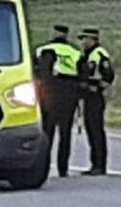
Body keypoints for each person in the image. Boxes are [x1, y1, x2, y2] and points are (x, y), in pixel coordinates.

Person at [34, 25, 82, 178]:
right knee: (65, 134)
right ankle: (63, 168)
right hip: (69, 96)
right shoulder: (75, 52)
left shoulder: (43, 50)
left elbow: (38, 73)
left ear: (53, 33)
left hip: (50, 96)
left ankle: (44, 167)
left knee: (47, 134)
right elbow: (82, 75)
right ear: (67, 35)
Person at [78, 28, 115, 176]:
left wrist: (97, 87)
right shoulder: (87, 55)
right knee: (90, 129)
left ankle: (100, 164)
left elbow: (108, 76)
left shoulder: (99, 54)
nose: (83, 42)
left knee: (96, 130)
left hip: (95, 97)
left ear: (92, 39)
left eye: (85, 39)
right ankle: (94, 163)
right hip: (88, 96)